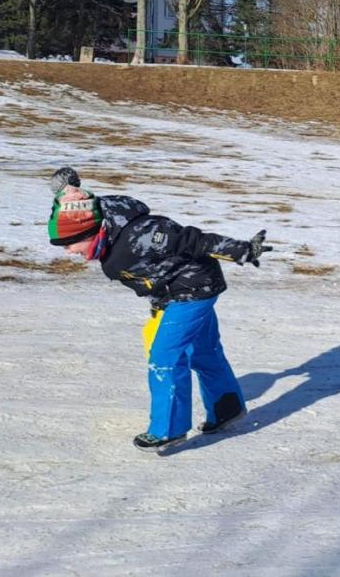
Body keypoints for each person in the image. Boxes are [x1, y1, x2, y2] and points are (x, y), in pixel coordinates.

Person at [46, 167, 271, 453]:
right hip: (174, 292)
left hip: (191, 290)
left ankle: (168, 430)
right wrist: (66, 188)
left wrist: (241, 250)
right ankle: (226, 407)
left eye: (70, 244)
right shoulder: (93, 217)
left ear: (93, 232)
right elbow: (75, 202)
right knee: (203, 351)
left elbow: (195, 241)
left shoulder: (146, 234)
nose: (68, 251)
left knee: (164, 358)